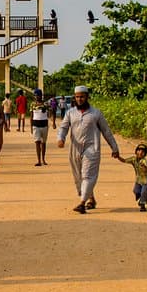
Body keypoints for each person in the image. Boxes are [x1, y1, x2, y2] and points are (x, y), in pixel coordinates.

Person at [56, 85, 120, 214]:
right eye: (77, 97)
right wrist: (61, 138)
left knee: (87, 175)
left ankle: (82, 203)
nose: (79, 99)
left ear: (87, 97)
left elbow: (106, 131)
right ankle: (91, 198)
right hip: (75, 148)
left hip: (92, 148)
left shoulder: (96, 113)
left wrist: (114, 147)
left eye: (82, 97)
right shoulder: (70, 113)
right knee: (79, 176)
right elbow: (63, 127)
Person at [118, 143, 147, 211]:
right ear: (136, 151)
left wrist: (145, 168)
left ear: (145, 154)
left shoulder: (144, 161)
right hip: (138, 180)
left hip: (146, 180)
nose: (140, 153)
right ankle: (141, 198)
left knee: (144, 193)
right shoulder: (133, 159)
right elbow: (124, 160)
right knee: (136, 191)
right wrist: (118, 157)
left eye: (143, 152)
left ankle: (142, 205)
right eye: (139, 150)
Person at [31, 91, 50, 167]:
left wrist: (53, 122)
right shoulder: (32, 104)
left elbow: (50, 113)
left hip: (44, 125)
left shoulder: (45, 104)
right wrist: (31, 127)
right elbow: (31, 116)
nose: (36, 97)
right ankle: (39, 160)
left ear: (41, 96)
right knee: (37, 142)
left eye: (38, 95)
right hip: (36, 125)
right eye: (35, 95)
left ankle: (43, 159)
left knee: (43, 143)